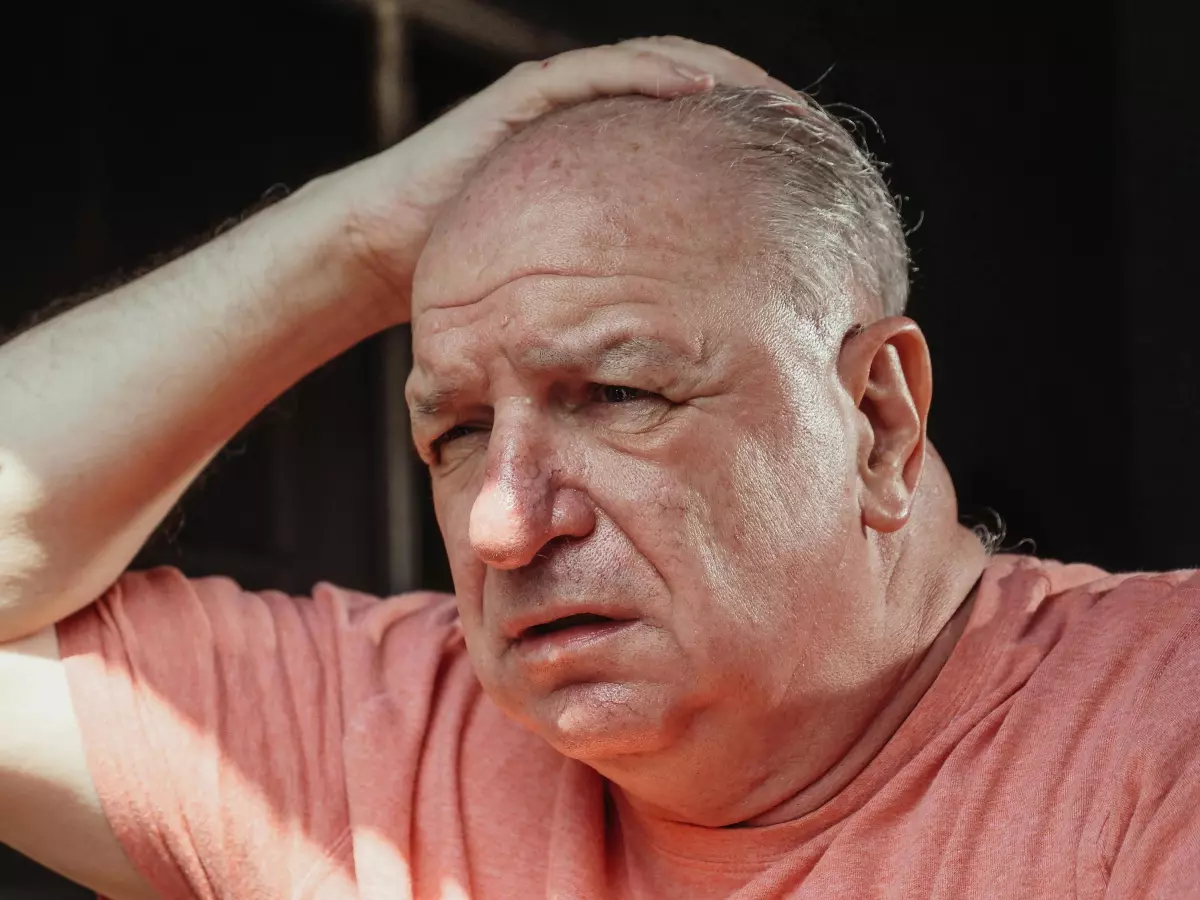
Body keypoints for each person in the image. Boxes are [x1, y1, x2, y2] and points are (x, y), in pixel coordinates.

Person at [0, 35, 1196, 900]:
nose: (502, 528)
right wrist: (355, 247)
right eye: (457, 432)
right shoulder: (392, 738)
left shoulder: (1157, 729)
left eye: (619, 394)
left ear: (877, 422)